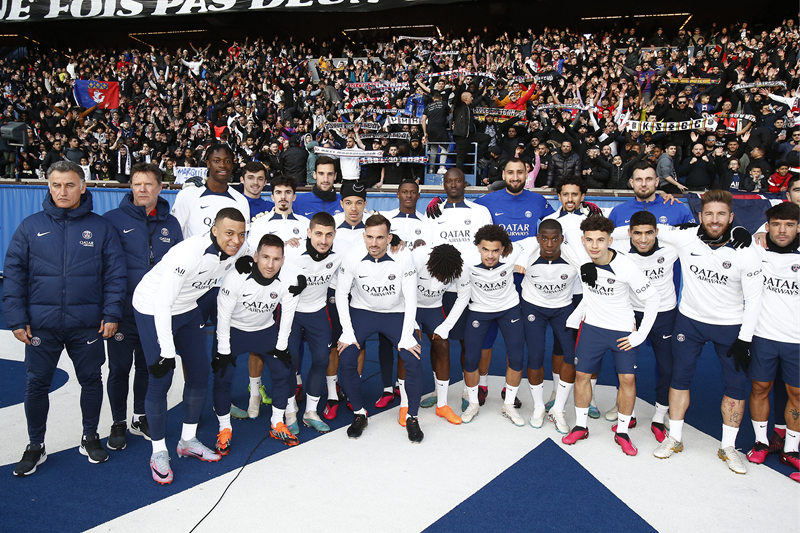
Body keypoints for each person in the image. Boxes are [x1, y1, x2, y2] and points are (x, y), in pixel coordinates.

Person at [4, 161, 126, 476]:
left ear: (82, 187)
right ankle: (35, 444)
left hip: (87, 324)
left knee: (91, 381)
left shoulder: (101, 228)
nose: (63, 191)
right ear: (48, 186)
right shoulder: (30, 227)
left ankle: (89, 436)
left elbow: (115, 276)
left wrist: (112, 312)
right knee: (36, 385)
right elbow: (14, 275)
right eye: (56, 185)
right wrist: (17, 319)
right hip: (41, 325)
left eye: (70, 184)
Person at [132, 208, 248, 485]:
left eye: (241, 234)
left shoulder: (240, 247)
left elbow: (266, 250)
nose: (236, 240)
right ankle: (158, 452)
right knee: (161, 379)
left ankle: (187, 439)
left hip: (186, 309)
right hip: (153, 308)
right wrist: (167, 351)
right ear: (214, 230)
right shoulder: (188, 253)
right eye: (229, 233)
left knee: (199, 374)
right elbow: (162, 302)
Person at [653, 190, 762, 475]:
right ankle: (674, 437)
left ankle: (728, 446)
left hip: (730, 326)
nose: (715, 220)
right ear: (700, 216)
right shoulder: (685, 237)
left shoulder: (745, 250)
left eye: (722, 215)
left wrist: (745, 338)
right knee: (680, 378)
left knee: (736, 386)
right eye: (709, 214)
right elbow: (645, 228)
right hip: (690, 322)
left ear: (732, 217)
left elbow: (755, 300)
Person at [561, 216, 660, 456]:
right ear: (583, 240)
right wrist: (585, 262)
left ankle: (623, 431)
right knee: (582, 376)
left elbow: (653, 298)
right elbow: (567, 233)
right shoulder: (582, 257)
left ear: (610, 241)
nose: (595, 246)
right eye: (590, 240)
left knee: (627, 380)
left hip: (622, 330)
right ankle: (580, 426)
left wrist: (640, 335)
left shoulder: (625, 266)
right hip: (592, 328)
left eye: (601, 240)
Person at [103, 163, 183, 452]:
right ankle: (117, 422)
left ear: (160, 188)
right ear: (131, 187)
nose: (142, 189)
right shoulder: (111, 220)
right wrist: (109, 310)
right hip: (123, 313)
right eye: (137, 184)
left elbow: (179, 269)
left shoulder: (171, 224)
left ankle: (139, 416)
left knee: (149, 368)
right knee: (119, 369)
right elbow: (104, 268)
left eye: (149, 184)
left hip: (155, 313)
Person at [473, 158, 556, 405]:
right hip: (493, 278)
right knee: (486, 340)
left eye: (520, 172)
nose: (516, 176)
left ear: (527, 173)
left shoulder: (538, 201)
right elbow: (463, 207)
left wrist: (589, 207)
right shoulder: (488, 201)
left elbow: (559, 221)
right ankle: (483, 384)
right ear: (504, 174)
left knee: (515, 339)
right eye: (511, 172)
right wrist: (438, 202)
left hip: (525, 279)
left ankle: (511, 390)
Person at [212, 234, 304, 453]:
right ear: (255, 256)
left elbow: (288, 315)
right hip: (234, 329)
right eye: (265, 257)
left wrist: (281, 347)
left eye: (276, 259)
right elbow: (222, 316)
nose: (270, 264)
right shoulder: (235, 277)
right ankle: (225, 429)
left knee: (284, 370)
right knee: (222, 376)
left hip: (264, 330)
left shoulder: (290, 279)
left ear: (283, 260)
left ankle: (277, 423)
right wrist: (224, 350)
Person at [335, 214, 423, 442]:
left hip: (395, 312)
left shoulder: (403, 254)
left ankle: (412, 417)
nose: (374, 243)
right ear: (363, 236)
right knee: (346, 358)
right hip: (362, 311)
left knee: (413, 359)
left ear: (389, 238)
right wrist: (347, 330)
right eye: (370, 237)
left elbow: (412, 297)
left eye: (380, 238)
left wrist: (407, 335)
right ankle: (359, 413)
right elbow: (341, 293)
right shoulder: (353, 255)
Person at [609, 211, 680, 442]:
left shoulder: (671, 247)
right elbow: (602, 232)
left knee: (668, 367)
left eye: (649, 233)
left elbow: (695, 232)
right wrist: (624, 231)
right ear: (629, 233)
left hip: (664, 314)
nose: (643, 239)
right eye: (637, 233)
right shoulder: (618, 246)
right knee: (626, 368)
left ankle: (660, 415)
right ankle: (627, 411)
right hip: (631, 313)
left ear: (657, 232)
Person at [245, 174, 309, 416]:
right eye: (279, 192)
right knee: (257, 345)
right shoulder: (260, 223)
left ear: (294, 196)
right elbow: (251, 255)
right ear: (272, 196)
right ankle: (254, 394)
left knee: (292, 343)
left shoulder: (305, 223)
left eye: (288, 192)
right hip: (264, 294)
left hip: (294, 295)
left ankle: (292, 387)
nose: (283, 197)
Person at [744, 202, 800, 479]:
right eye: (777, 224)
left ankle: (791, 449)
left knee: (797, 394)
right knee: (760, 388)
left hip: (796, 340)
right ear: (767, 227)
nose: (782, 230)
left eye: (789, 225)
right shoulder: (756, 253)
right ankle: (761, 441)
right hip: (763, 336)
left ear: (798, 227)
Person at [513, 219, 580, 430]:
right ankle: (539, 406)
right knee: (535, 355)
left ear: (562, 239)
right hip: (534, 308)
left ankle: (558, 409)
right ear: (537, 239)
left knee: (571, 355)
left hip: (563, 307)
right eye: (544, 239)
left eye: (554, 239)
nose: (549, 244)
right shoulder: (526, 253)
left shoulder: (574, 256)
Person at [459, 224, 528, 426]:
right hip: (479, 309)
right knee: (471, 358)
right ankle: (473, 403)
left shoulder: (511, 255)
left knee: (516, 357)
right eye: (486, 250)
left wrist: (522, 259)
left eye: (496, 250)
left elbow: (535, 240)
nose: (490, 255)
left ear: (503, 249)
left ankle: (508, 405)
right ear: (478, 247)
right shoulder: (467, 259)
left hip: (509, 309)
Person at [288, 212, 343, 433]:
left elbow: (365, 247)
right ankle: (290, 410)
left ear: (334, 235)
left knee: (321, 360)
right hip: (291, 312)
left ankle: (311, 411)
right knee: (289, 362)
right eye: (318, 234)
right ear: (308, 233)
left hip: (318, 311)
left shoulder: (340, 252)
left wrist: (395, 240)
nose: (323, 240)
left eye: (328, 235)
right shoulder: (291, 252)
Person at [411, 244, 470, 424]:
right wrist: (411, 322)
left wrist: (446, 326)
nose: (440, 281)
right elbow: (399, 288)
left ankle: (442, 404)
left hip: (434, 307)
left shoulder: (460, 266)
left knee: (442, 346)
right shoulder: (417, 258)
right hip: (411, 305)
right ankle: (406, 405)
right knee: (409, 349)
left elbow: (463, 297)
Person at [170, 144, 250, 239]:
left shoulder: (241, 200)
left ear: (232, 165)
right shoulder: (187, 195)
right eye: (217, 161)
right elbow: (174, 235)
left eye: (227, 161)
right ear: (208, 164)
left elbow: (242, 240)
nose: (222, 165)